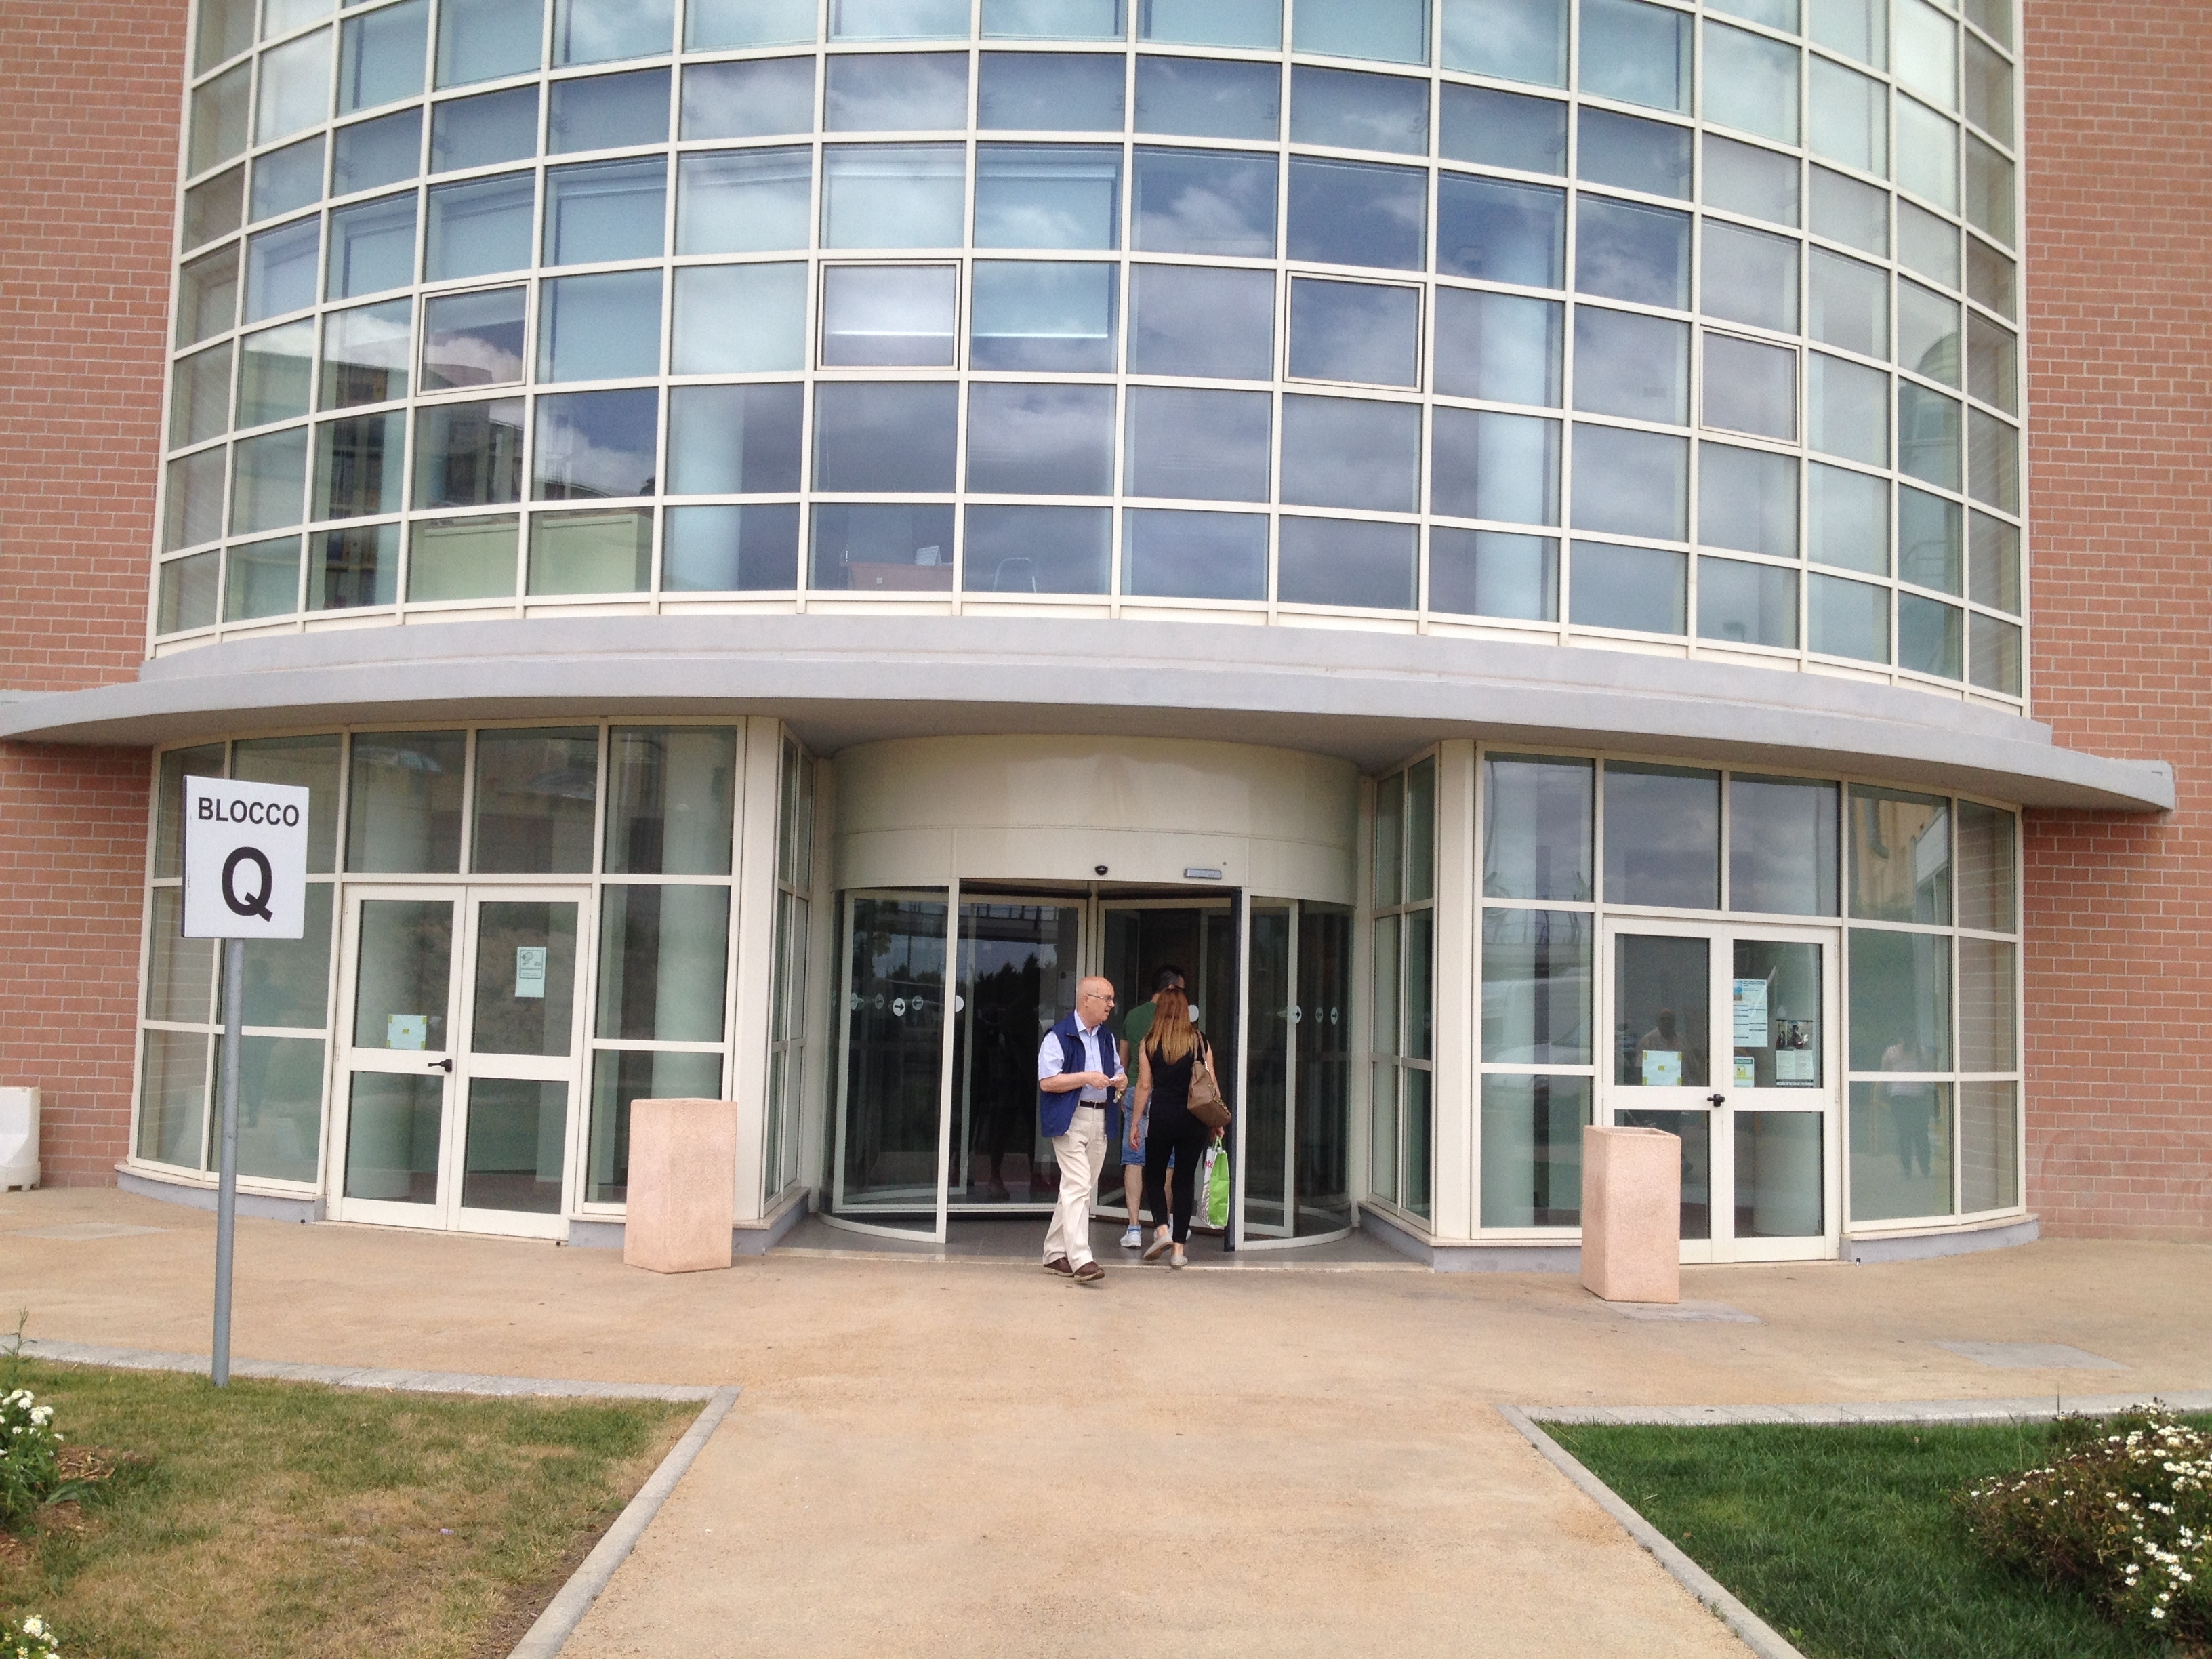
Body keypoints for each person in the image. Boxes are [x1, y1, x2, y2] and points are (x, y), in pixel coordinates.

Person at [1037, 975, 1125, 1286]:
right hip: (1070, 1118)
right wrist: (1086, 1077)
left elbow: (1118, 1071)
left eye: (1112, 999)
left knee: (1078, 1187)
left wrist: (1121, 1080)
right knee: (1077, 1184)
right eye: (1107, 998)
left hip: (1100, 1118)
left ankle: (1053, 1253)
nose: (1111, 1005)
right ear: (1087, 999)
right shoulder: (1058, 1035)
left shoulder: (1107, 1038)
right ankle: (1081, 1258)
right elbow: (1048, 1082)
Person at [1128, 985, 1217, 1270]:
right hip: (1194, 1119)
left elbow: (1144, 1086)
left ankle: (1162, 1230)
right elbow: (1211, 1084)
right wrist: (1216, 1121)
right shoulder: (1200, 1041)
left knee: (1154, 1176)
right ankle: (1179, 1250)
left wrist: (1135, 1123)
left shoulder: (1149, 1042)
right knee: (1184, 1181)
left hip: (1162, 1118)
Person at [1111, 965, 1185, 1249]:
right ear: (1170, 989)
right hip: (1165, 1093)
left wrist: (1121, 1092)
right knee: (1168, 1161)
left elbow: (1123, 1059)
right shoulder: (1174, 1016)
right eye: (1180, 990)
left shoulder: (1133, 1016)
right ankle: (1161, 1227)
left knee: (1134, 1158)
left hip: (1134, 1089)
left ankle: (1133, 1228)